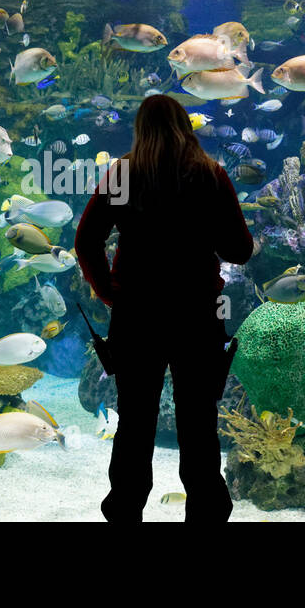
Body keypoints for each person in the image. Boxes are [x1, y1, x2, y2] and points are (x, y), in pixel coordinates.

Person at [74, 94, 253, 523]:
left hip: (137, 313)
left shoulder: (123, 174)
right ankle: (207, 510)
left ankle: (125, 510)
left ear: (140, 129)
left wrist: (108, 291)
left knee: (135, 419)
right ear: (185, 126)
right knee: (198, 418)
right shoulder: (211, 175)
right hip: (197, 313)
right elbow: (240, 250)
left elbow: (86, 241)